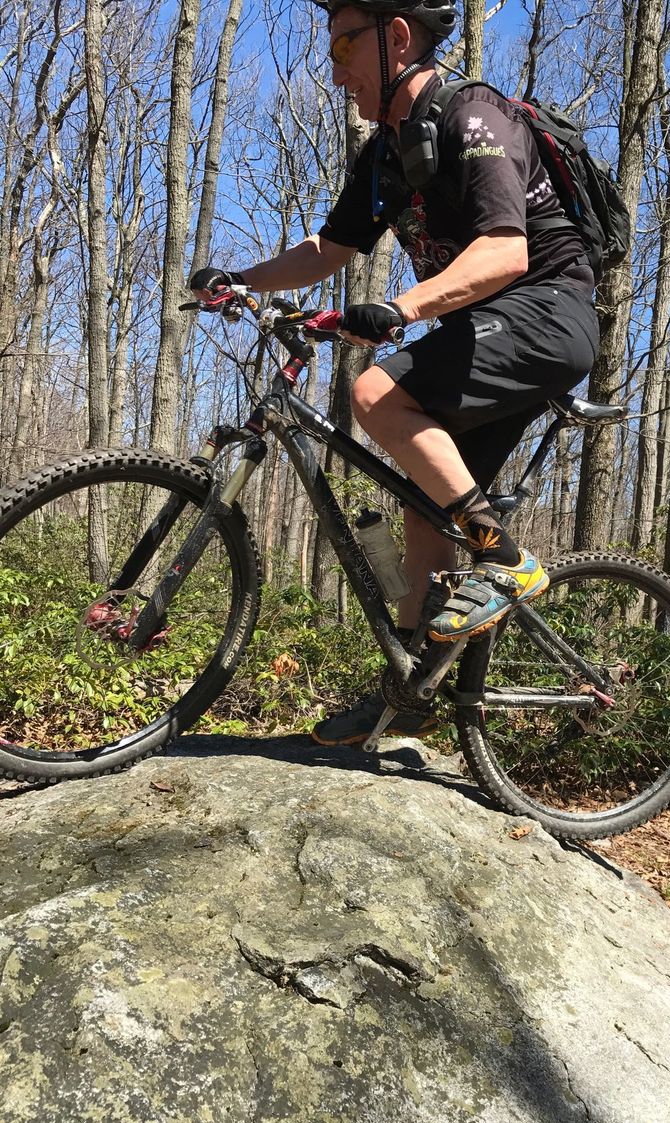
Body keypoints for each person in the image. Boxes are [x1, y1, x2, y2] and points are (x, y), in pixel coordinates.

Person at [190, 0, 599, 745]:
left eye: (343, 46)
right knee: (425, 509)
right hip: (484, 332)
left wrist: (400, 308)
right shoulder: (385, 154)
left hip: (548, 313)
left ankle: (506, 562)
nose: (335, 70)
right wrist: (243, 280)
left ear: (398, 38)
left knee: (373, 389)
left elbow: (506, 251)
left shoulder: (472, 116)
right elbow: (329, 249)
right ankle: (409, 694)